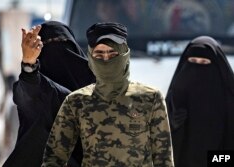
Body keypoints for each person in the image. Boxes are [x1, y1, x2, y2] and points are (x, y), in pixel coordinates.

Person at [42, 22, 174, 167]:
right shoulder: (76, 101)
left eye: (113, 54)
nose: (106, 60)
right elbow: (54, 158)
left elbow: (164, 159)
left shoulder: (150, 99)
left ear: (124, 55)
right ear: (91, 57)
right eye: (99, 54)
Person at [2, 21, 95, 167]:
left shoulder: (95, 89)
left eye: (62, 43)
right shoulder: (39, 93)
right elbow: (29, 90)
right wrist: (29, 63)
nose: (57, 52)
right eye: (48, 46)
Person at [165, 36, 234, 167]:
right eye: (192, 61)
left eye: (204, 63)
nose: (196, 69)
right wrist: (170, 127)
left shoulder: (230, 102)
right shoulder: (174, 99)